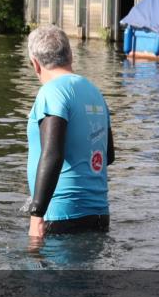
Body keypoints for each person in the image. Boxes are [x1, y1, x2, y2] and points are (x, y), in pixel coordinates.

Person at [23, 26, 114, 248]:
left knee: (45, 281)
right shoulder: (94, 92)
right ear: (70, 55)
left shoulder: (51, 92)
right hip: (99, 214)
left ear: (35, 63)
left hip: (61, 215)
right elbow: (108, 155)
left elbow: (52, 154)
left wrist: (36, 214)